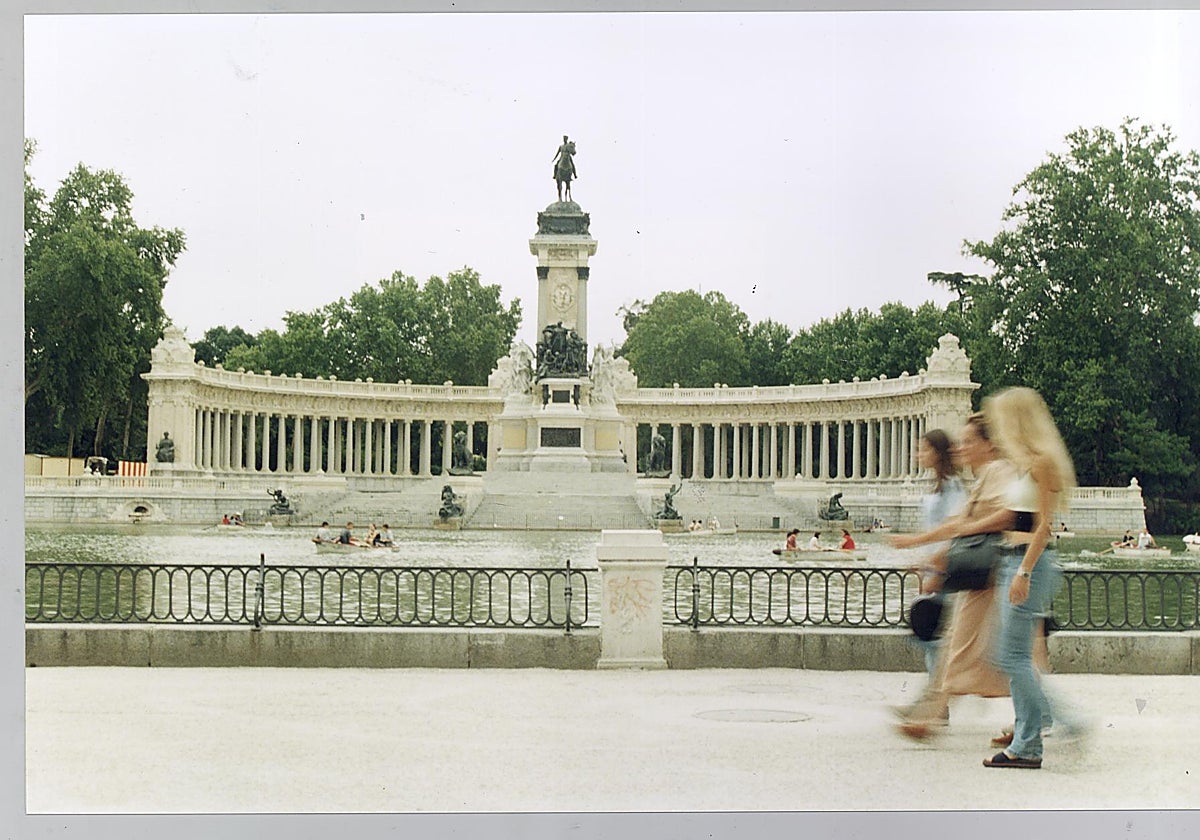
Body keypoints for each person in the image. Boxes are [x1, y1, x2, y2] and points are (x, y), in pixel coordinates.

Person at [888, 413, 1051, 742]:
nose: (960, 448)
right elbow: (957, 524)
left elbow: (1008, 517)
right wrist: (921, 548)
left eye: (968, 442)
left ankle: (932, 718)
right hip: (984, 578)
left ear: (988, 445)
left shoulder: (999, 471)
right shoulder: (986, 475)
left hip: (993, 578)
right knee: (976, 651)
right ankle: (1032, 720)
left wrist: (940, 546)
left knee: (989, 653)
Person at [980, 386, 1084, 769]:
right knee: (1012, 656)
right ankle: (1030, 736)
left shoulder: (1042, 463)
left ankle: (1036, 738)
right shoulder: (1024, 462)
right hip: (1015, 559)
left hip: (1029, 562)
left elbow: (1043, 527)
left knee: (1012, 656)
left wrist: (1023, 570)